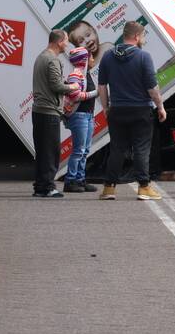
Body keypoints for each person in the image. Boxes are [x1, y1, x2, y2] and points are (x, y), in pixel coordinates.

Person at [97, 21, 166, 201]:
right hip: (140, 110)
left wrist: (106, 108)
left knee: (117, 149)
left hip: (117, 110)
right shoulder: (144, 57)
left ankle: (108, 189)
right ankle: (143, 187)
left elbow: (102, 86)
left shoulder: (107, 56)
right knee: (141, 149)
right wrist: (160, 107)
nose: (143, 39)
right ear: (137, 36)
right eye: (143, 36)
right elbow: (152, 88)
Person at [32, 29, 80, 198]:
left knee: (43, 151)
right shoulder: (53, 60)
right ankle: (47, 187)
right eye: (66, 41)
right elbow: (56, 86)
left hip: (39, 111)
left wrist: (64, 82)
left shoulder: (41, 57)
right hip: (48, 112)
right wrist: (72, 87)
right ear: (59, 42)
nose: (67, 44)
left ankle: (40, 187)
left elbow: (53, 82)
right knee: (51, 152)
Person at [62, 46, 99, 193]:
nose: (93, 59)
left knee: (85, 150)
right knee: (78, 150)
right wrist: (95, 93)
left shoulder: (85, 73)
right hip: (79, 116)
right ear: (83, 59)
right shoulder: (76, 75)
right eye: (90, 57)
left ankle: (80, 179)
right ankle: (70, 181)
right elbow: (74, 95)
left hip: (88, 115)